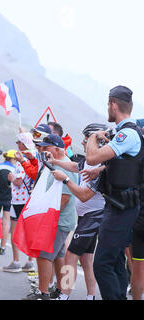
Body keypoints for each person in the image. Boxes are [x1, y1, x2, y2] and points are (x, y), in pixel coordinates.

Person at [85, 85, 143, 300]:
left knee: (102, 264)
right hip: (118, 204)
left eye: (108, 104)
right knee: (116, 260)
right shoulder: (125, 133)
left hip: (122, 207)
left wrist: (93, 138)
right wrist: (102, 170)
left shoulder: (127, 134)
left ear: (113, 105)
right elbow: (125, 164)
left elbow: (92, 158)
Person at [49, 123, 109, 300]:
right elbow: (75, 166)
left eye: (86, 139)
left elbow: (83, 196)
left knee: (70, 255)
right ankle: (91, 296)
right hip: (86, 217)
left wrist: (66, 180)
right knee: (86, 260)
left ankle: (64, 295)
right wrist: (54, 161)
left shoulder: (102, 168)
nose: (83, 143)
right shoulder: (90, 161)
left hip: (94, 216)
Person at [23, 134, 78, 300]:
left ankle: (43, 292)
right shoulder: (57, 164)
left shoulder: (65, 167)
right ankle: (59, 290)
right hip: (59, 220)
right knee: (58, 256)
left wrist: (46, 219)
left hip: (57, 220)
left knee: (43, 254)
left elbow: (65, 198)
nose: (43, 150)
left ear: (56, 148)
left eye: (46, 147)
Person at [3, 137, 36, 273]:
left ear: (23, 144)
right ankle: (29, 261)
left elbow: (18, 182)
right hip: (25, 200)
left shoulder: (24, 159)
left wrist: (10, 176)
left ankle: (17, 261)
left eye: (18, 142)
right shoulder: (32, 157)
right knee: (29, 232)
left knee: (16, 231)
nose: (16, 144)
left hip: (20, 200)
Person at [0, 150, 16, 256]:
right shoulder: (14, 169)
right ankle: (2, 247)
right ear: (13, 159)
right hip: (9, 197)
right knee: (6, 221)